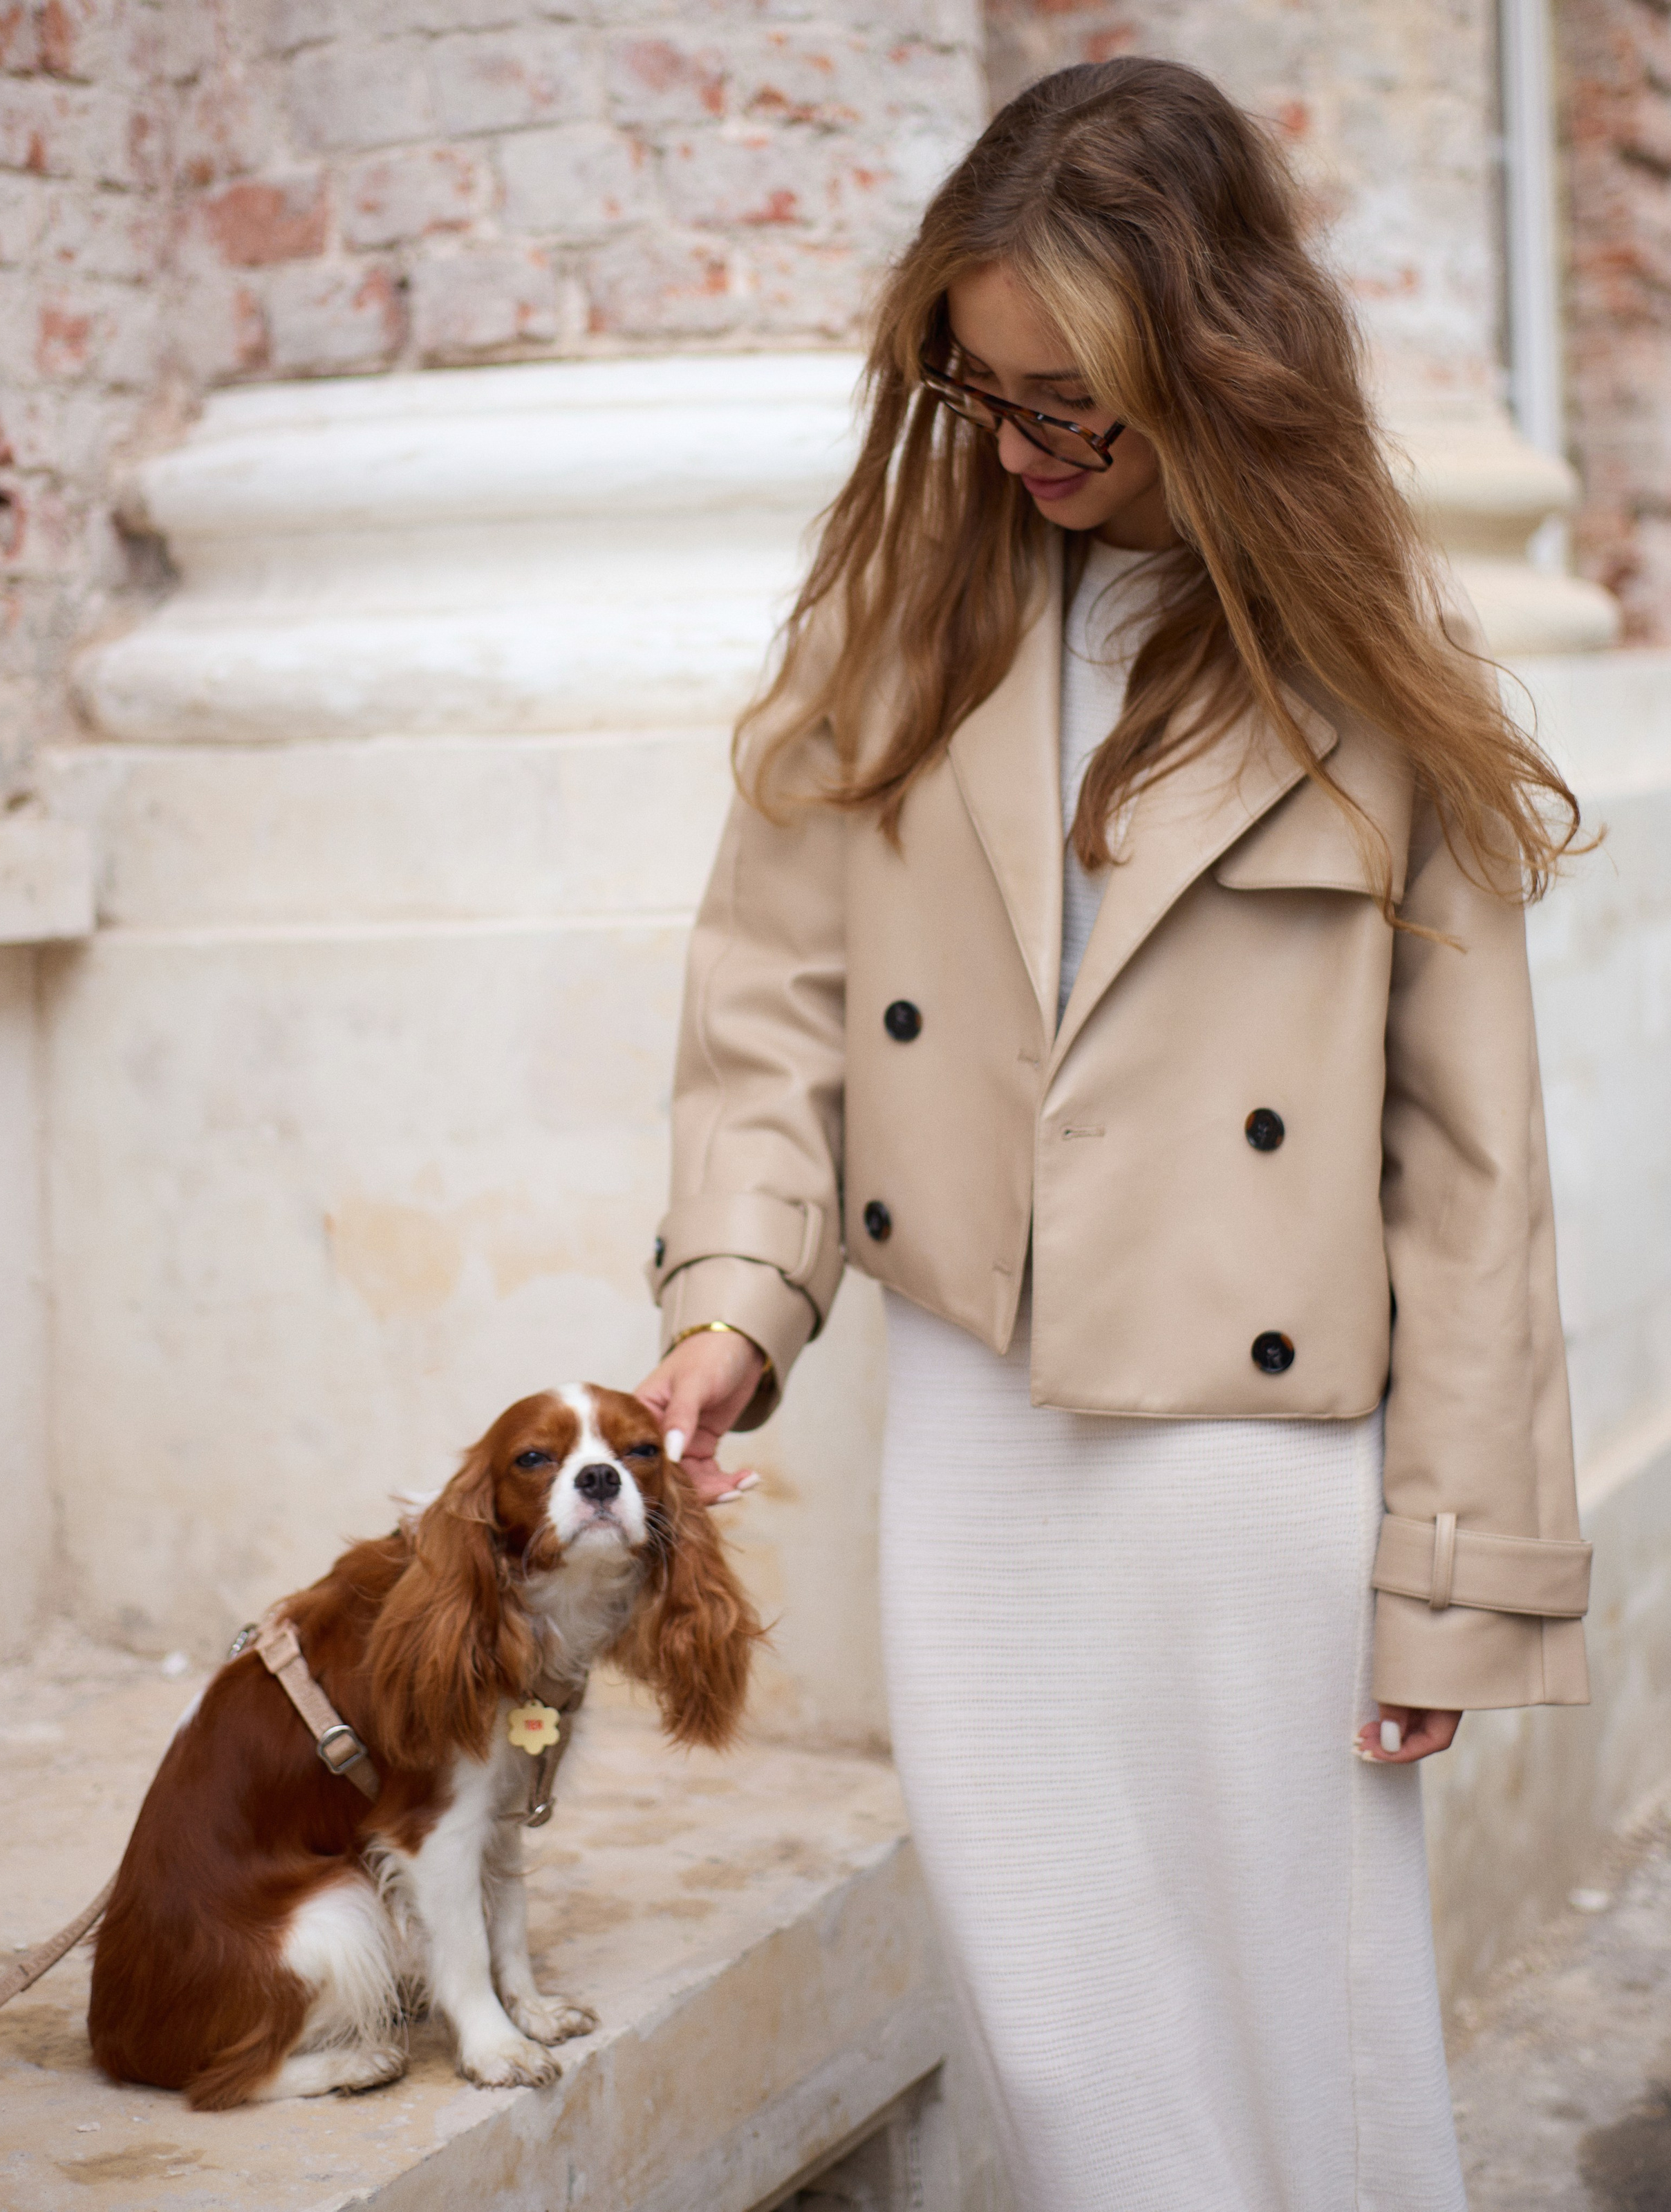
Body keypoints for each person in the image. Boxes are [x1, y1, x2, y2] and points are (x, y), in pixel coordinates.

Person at [635, 55, 1592, 2212]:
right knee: (1063, 2054)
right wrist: (731, 1306)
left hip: (1258, 1473)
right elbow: (770, 1007)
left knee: (1301, 2055)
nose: (1032, 449)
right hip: (985, 1435)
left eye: (1083, 401)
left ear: (1220, 363)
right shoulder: (895, 634)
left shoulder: (1368, 686)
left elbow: (1470, 1181)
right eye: (986, 395)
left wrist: (1450, 1578)